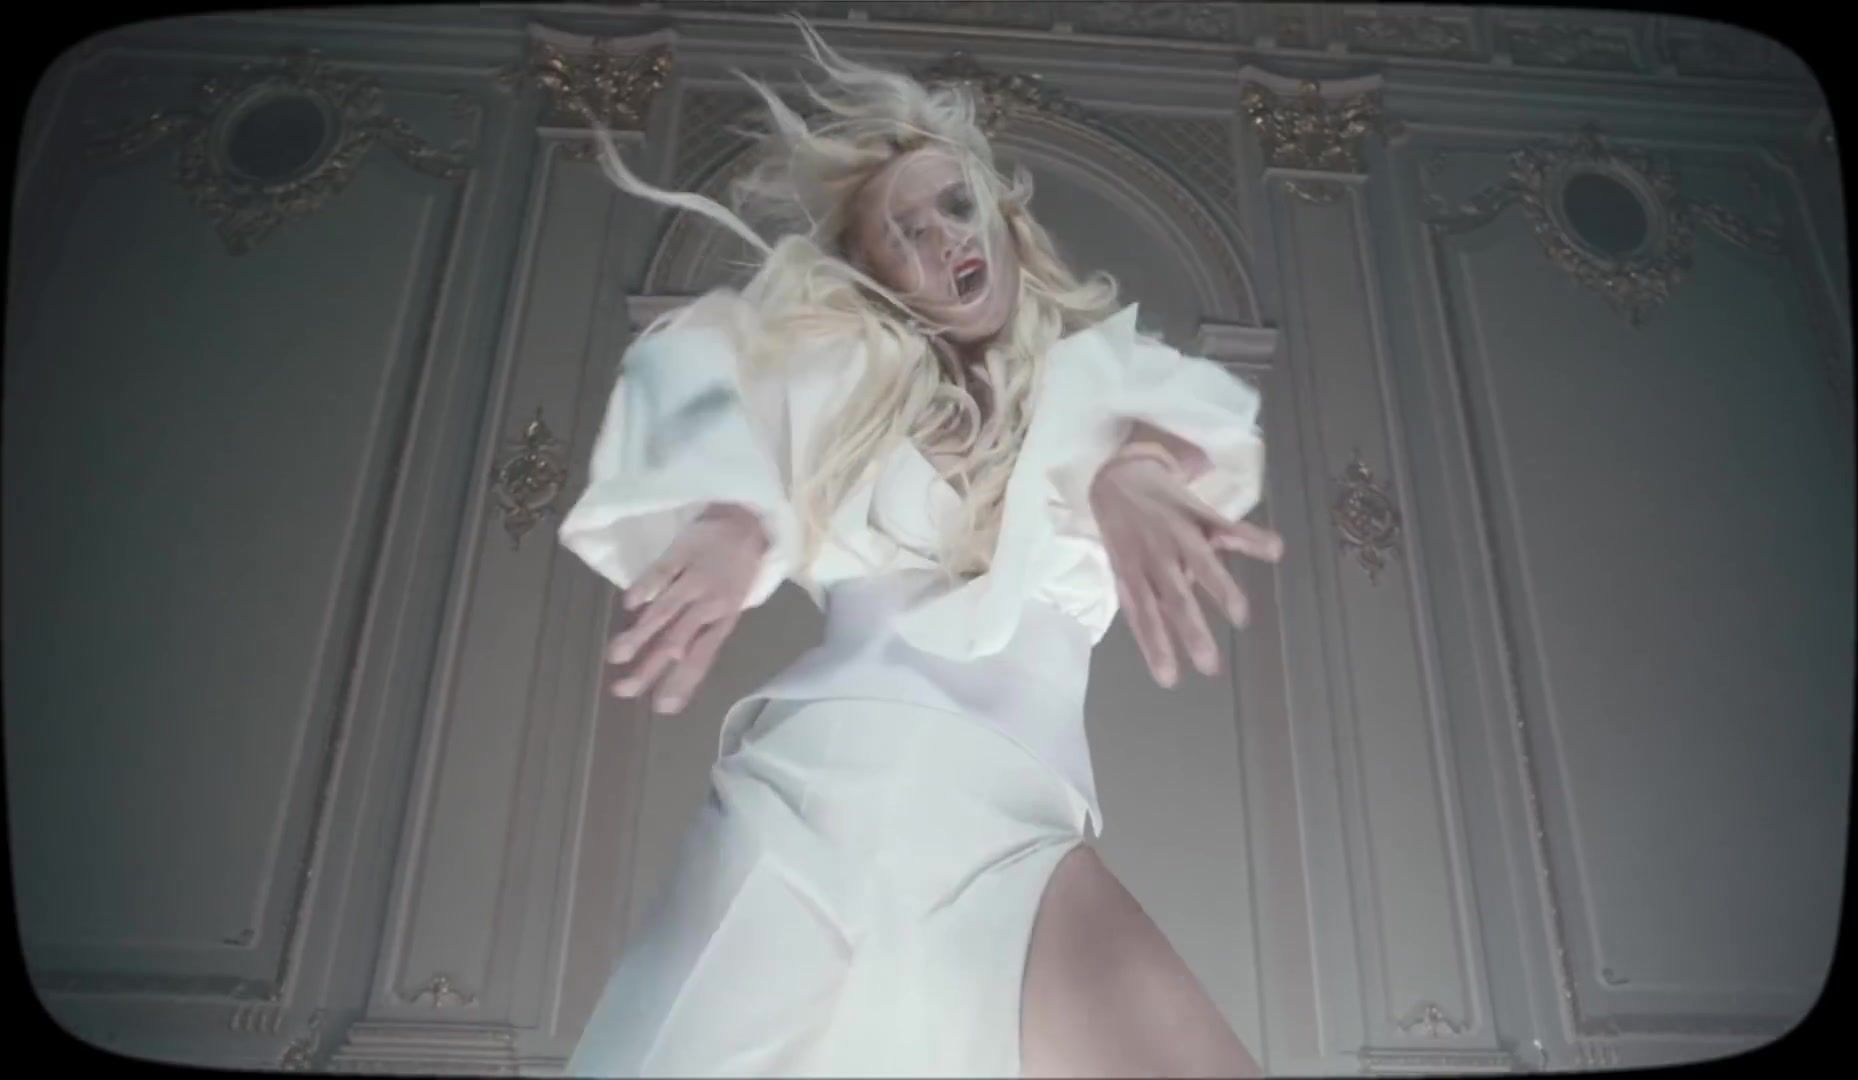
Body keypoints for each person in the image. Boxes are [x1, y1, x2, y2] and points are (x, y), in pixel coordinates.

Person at [557, 16, 1282, 1078]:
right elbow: (710, 384)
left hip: (1012, 817)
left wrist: (1129, 471)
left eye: (956, 203)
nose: (946, 238)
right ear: (873, 273)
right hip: (815, 796)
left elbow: (1186, 425)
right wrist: (733, 522)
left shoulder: (1101, 379)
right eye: (906, 231)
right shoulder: (834, 378)